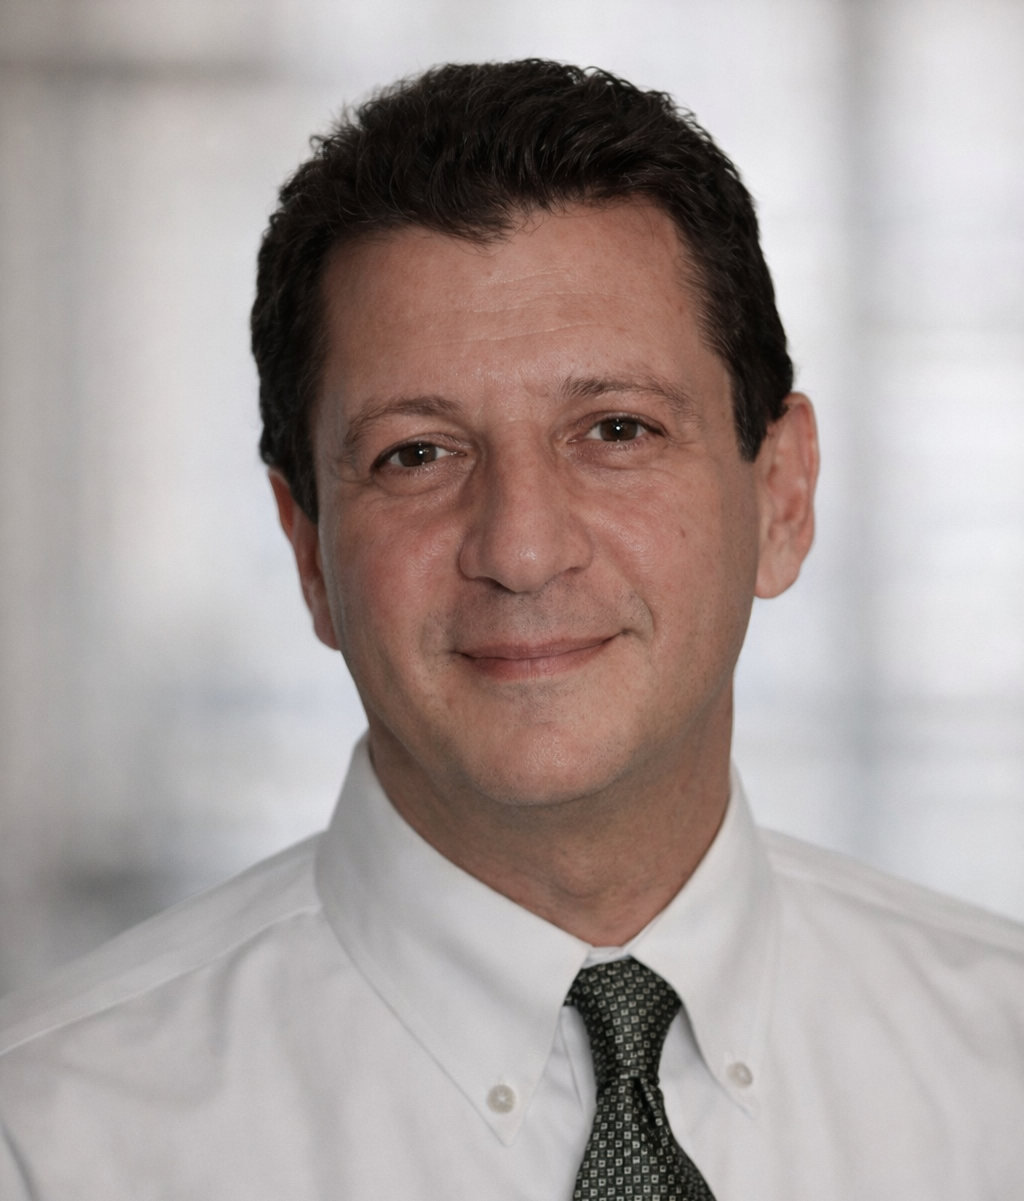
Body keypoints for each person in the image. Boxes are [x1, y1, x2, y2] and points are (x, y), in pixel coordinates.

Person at [1, 59, 1022, 1201]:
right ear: (310, 551)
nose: (523, 549)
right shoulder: (48, 1144)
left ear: (781, 495)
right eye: (416, 454)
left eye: (617, 430)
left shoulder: (1003, 1080)